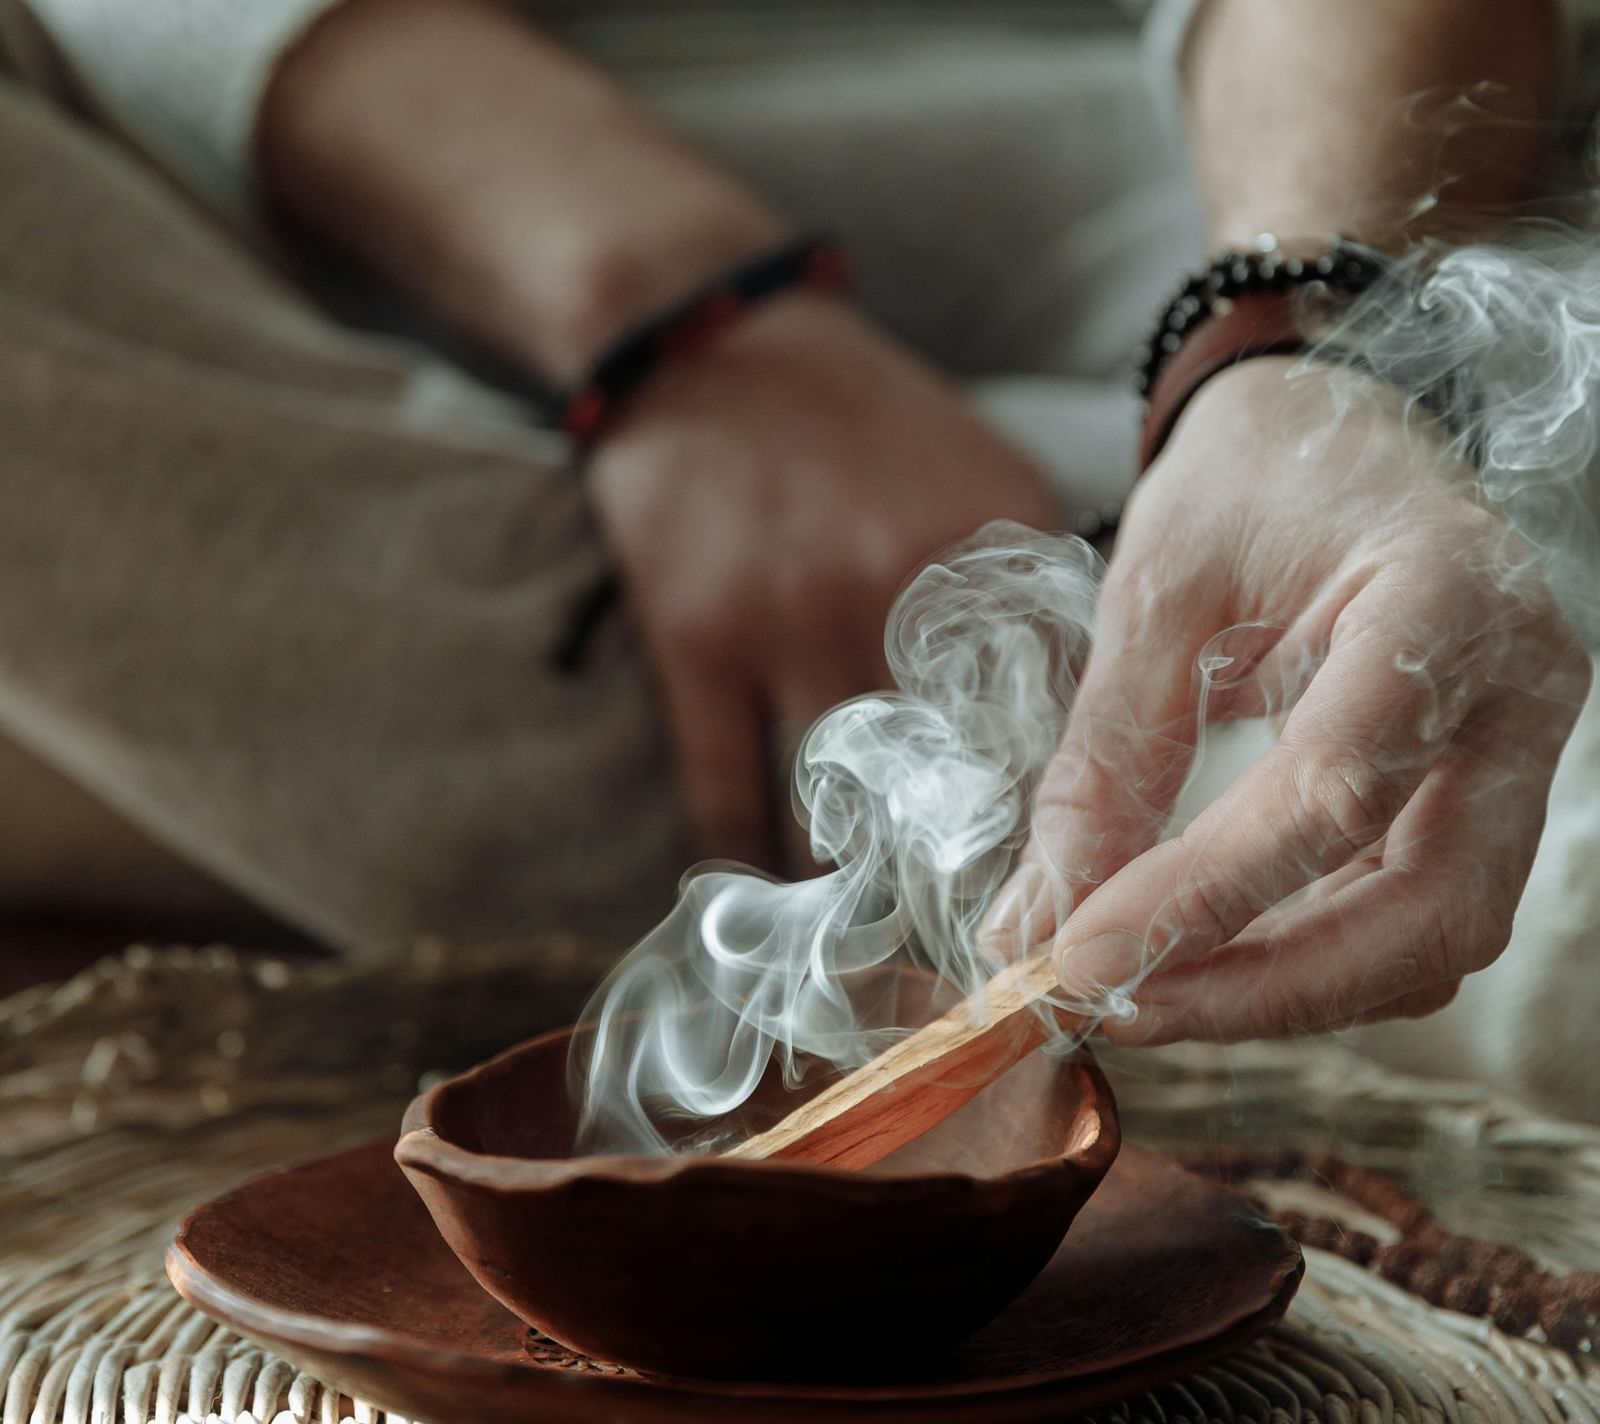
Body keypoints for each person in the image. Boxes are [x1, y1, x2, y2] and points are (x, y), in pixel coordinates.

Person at [0, 0, 1593, 1109]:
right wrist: (692, 313)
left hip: (1205, 173)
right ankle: (1177, 825)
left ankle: (226, 775)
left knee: (1532, 337)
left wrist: (1296, 356)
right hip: (225, 240)